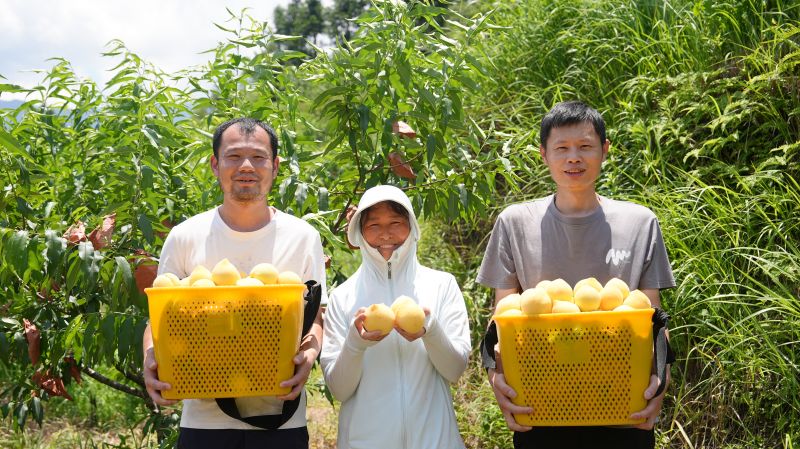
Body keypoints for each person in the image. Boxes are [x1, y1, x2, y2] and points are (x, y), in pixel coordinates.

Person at [477, 101, 676, 449]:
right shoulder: (515, 223)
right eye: (562, 148)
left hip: (622, 404)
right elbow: (502, 317)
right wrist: (496, 376)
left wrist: (661, 379)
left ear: (604, 150)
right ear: (543, 154)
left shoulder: (640, 222)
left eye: (585, 146)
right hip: (541, 403)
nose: (574, 158)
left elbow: (654, 318)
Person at [142, 118, 328, 449]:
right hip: (204, 420)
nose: (246, 167)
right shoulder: (185, 236)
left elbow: (315, 316)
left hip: (280, 417)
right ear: (215, 165)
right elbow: (159, 317)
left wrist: (310, 354)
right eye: (233, 156)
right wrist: (150, 359)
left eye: (258, 157)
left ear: (275, 166)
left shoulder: (302, 236)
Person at [320, 185, 471, 449]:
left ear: (412, 227)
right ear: (359, 233)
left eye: (396, 222)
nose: (385, 234)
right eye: (373, 225)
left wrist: (430, 330)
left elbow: (455, 370)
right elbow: (340, 390)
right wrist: (356, 343)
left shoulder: (441, 285)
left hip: (435, 442)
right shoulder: (343, 297)